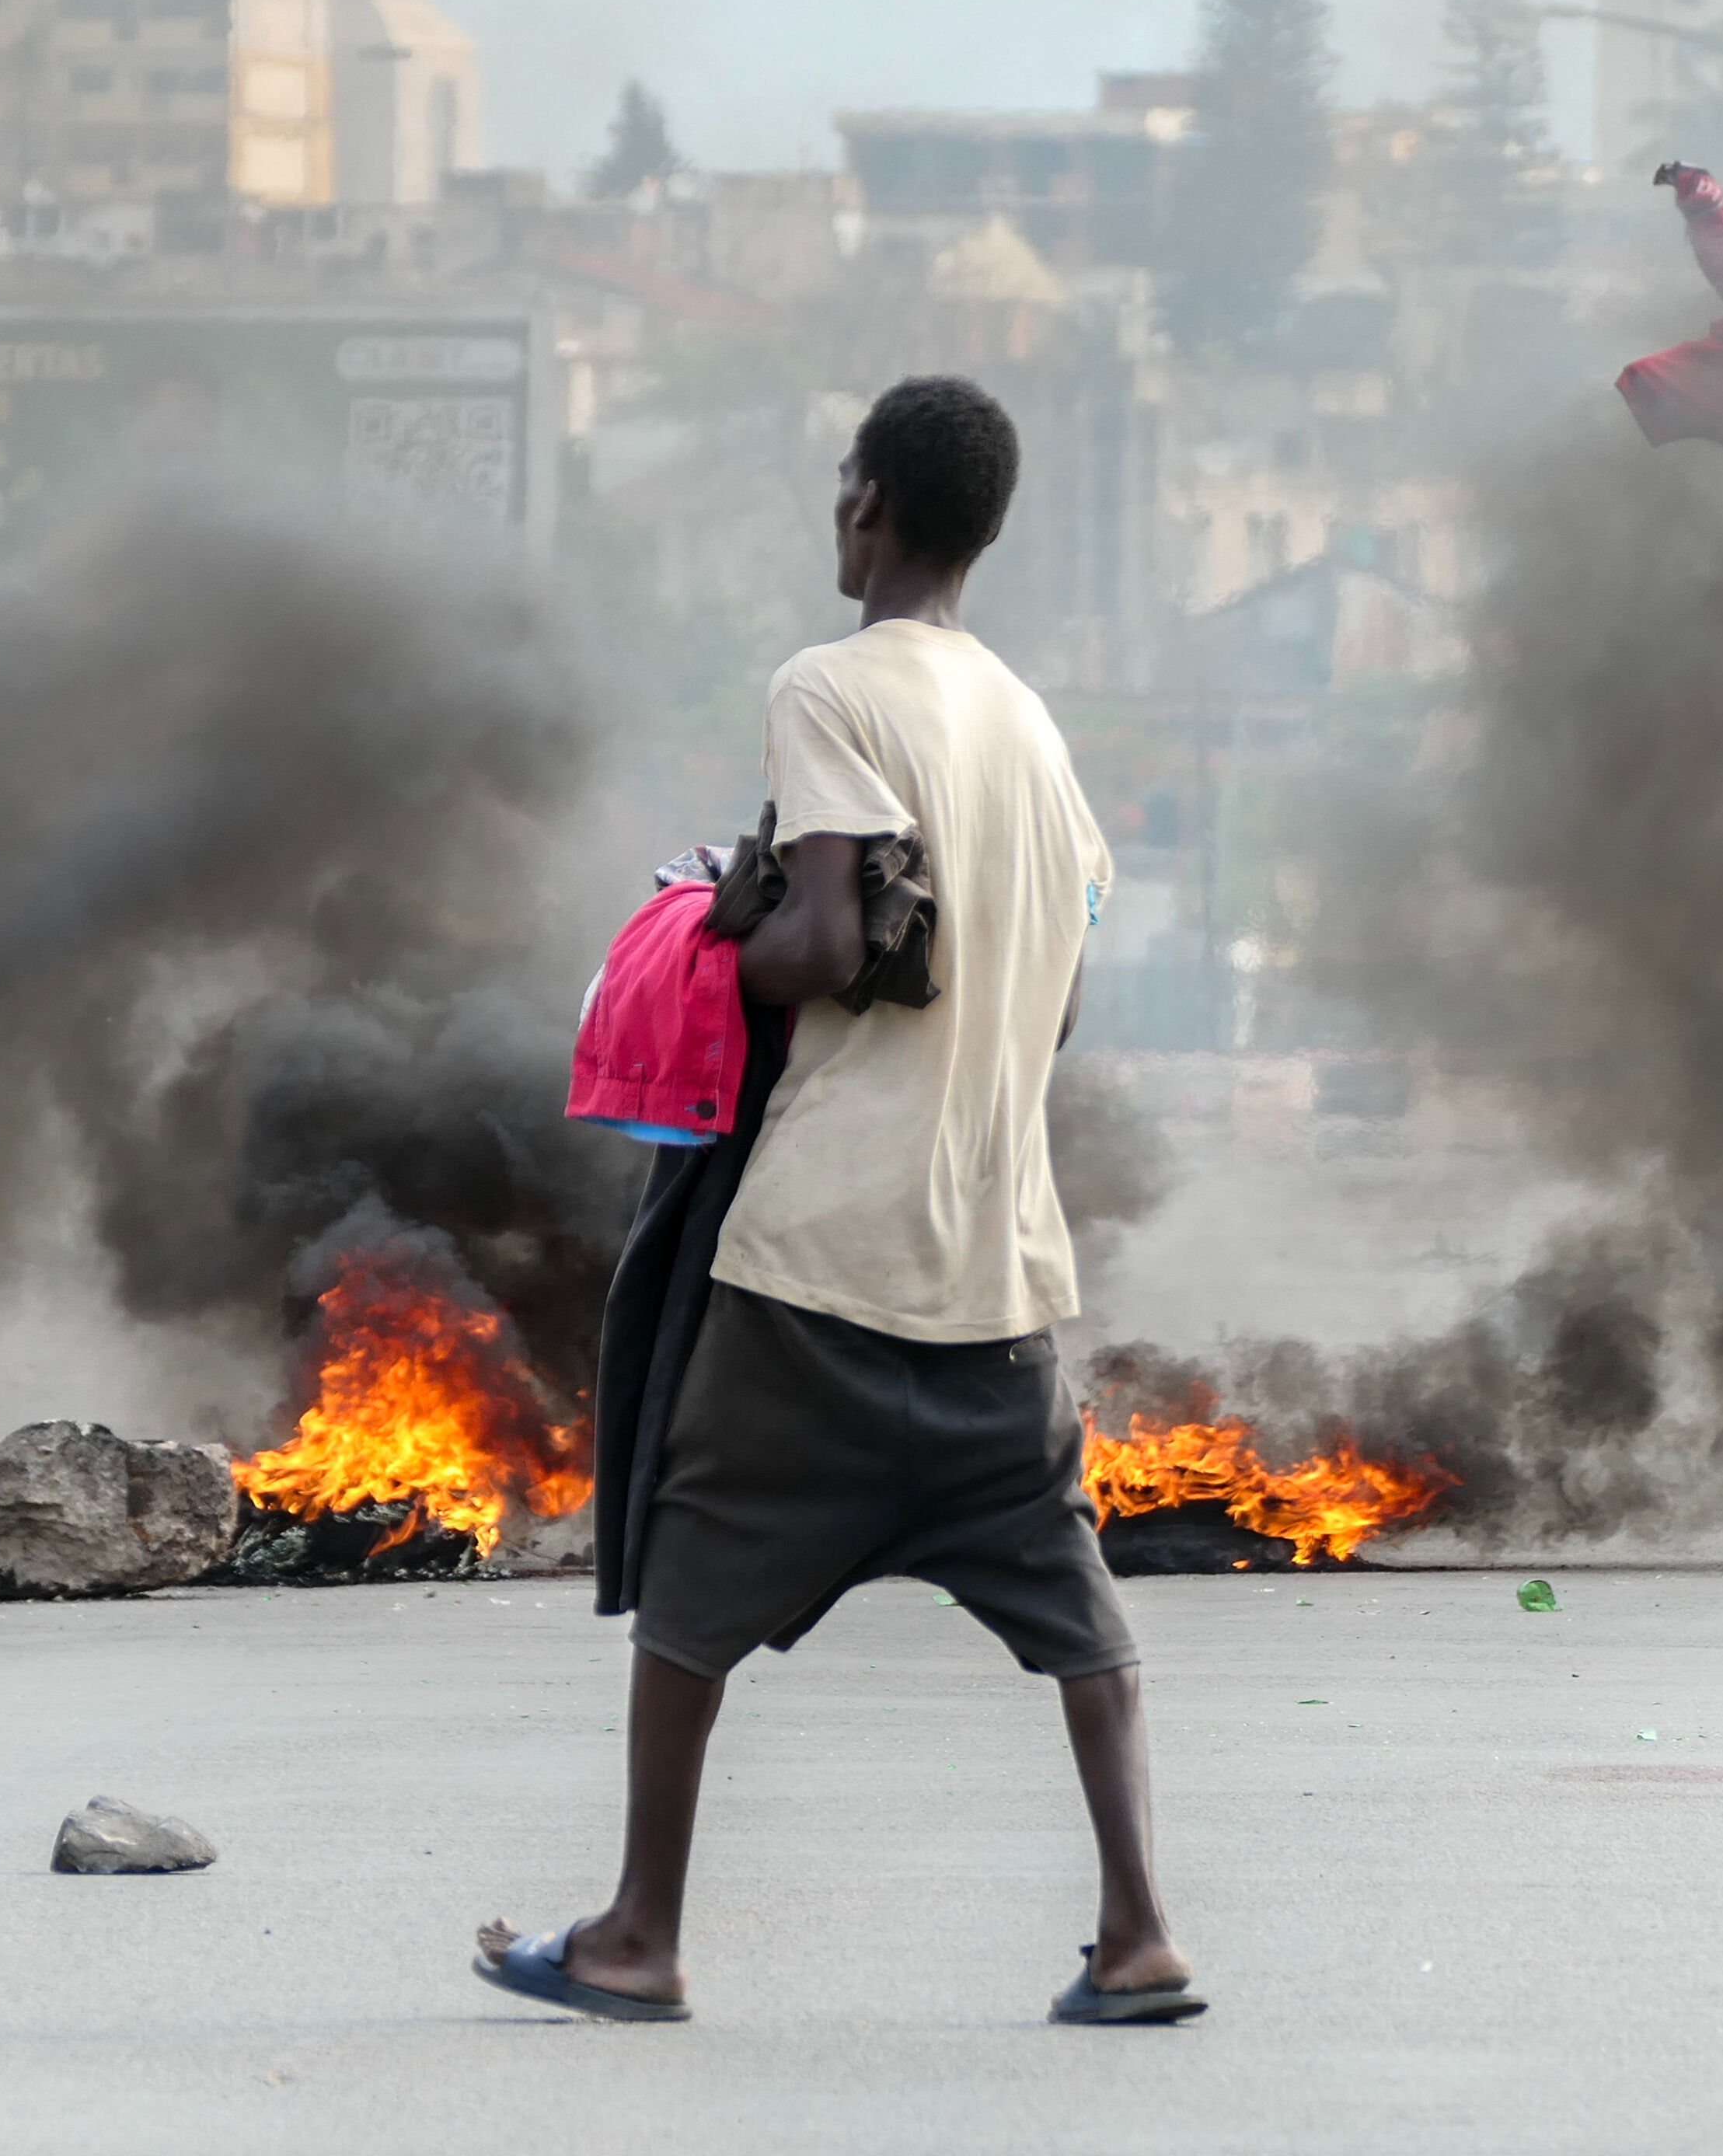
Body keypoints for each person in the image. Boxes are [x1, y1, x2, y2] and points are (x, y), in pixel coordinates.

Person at [478, 375, 1198, 2025]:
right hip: (1001, 1266)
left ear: (869, 503)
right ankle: (1142, 1925)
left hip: (821, 1253)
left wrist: (714, 927)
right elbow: (1058, 996)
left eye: (839, 489)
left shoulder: (829, 686)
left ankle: (641, 1934)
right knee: (1074, 1608)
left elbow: (825, 943)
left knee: (690, 1579)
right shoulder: (1030, 725)